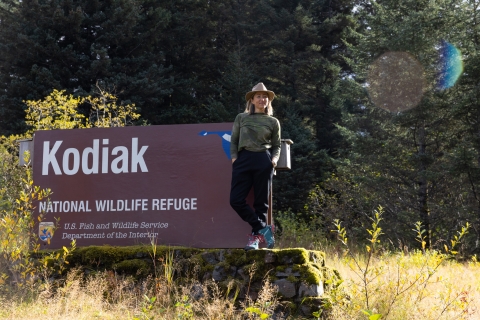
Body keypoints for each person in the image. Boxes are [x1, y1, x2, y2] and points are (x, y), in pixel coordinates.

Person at [230, 82, 281, 251]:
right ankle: (263, 227)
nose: (262, 99)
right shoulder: (241, 118)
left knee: (261, 203)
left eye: (265, 96)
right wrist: (234, 158)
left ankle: (255, 240)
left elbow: (277, 145)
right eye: (258, 96)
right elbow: (234, 140)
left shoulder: (273, 122)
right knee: (236, 200)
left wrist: (274, 160)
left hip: (263, 160)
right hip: (243, 159)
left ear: (268, 101)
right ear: (251, 100)